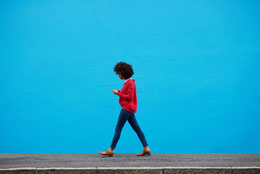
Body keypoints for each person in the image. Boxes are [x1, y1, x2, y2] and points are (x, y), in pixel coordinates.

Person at [98, 62, 151, 157]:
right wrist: (118, 91)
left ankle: (111, 150)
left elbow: (129, 97)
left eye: (118, 73)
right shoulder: (128, 82)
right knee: (137, 128)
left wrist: (118, 93)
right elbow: (127, 94)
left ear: (123, 73)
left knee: (118, 128)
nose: (118, 75)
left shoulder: (130, 83)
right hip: (129, 108)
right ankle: (146, 148)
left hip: (127, 108)